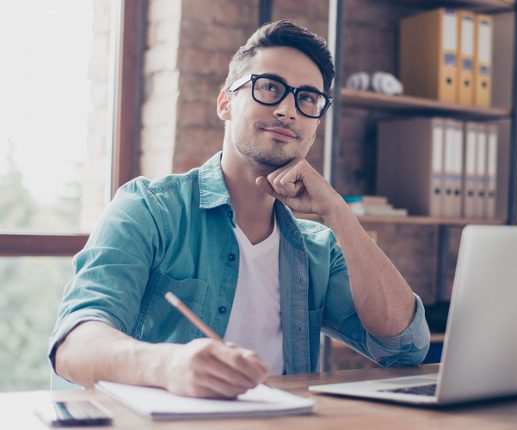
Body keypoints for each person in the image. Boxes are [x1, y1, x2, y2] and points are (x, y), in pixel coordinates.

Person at [49, 20, 430, 399]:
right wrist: (167, 366)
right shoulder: (148, 209)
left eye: (308, 98)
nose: (287, 110)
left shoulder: (319, 248)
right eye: (269, 88)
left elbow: (405, 347)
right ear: (225, 103)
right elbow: (74, 344)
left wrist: (339, 213)